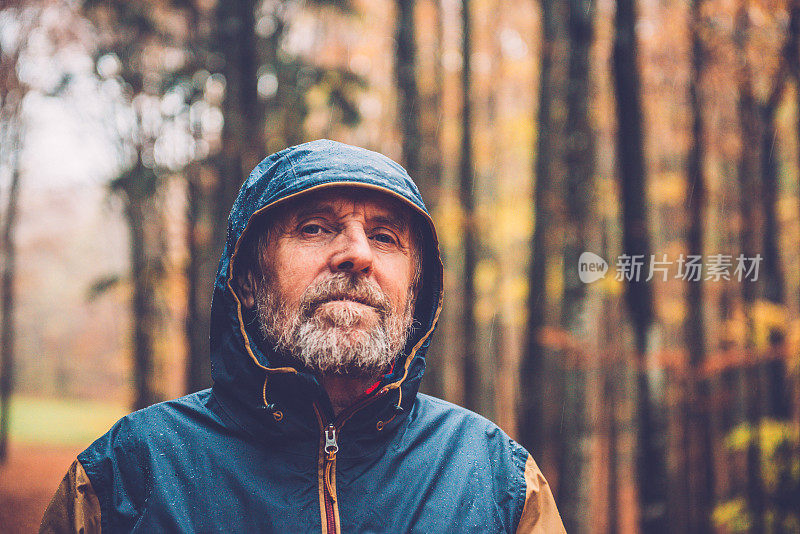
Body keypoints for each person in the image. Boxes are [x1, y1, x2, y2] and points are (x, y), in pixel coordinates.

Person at [40, 139, 564, 533]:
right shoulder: (131, 471)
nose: (357, 254)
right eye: (314, 227)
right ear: (245, 276)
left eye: (385, 237)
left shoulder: (497, 478)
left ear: (417, 288)